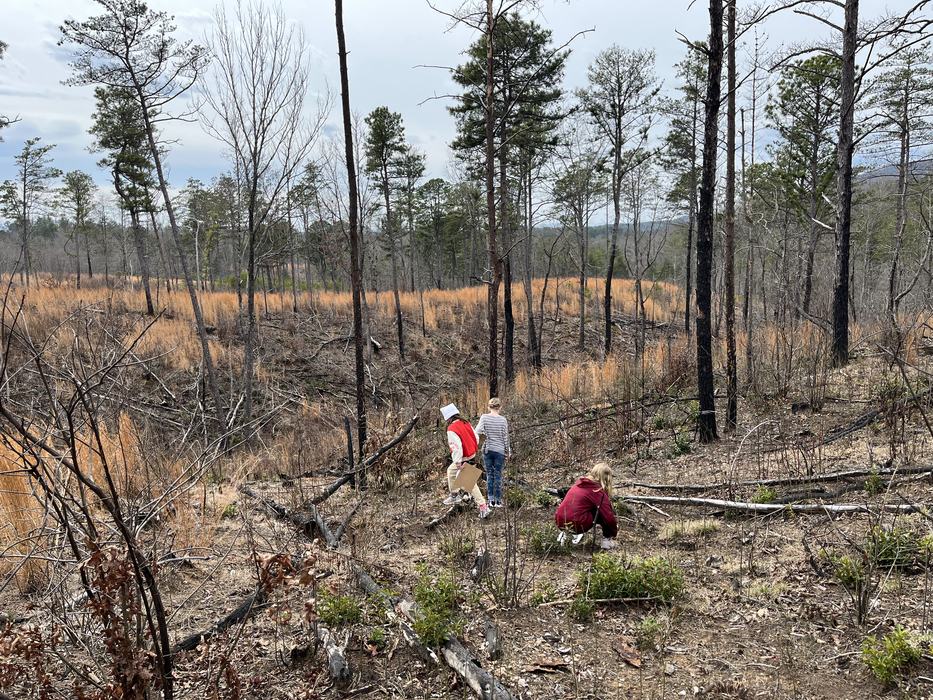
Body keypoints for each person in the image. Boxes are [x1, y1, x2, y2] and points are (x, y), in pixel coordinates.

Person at [440, 403, 490, 519]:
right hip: (471, 455)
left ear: (448, 418)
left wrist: (458, 462)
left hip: (463, 458)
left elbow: (456, 446)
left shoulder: (451, 429)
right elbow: (476, 437)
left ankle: (483, 507)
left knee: (469, 484)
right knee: (451, 472)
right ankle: (455, 494)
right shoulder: (466, 422)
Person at [554, 462, 618, 548]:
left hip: (559, 521)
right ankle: (606, 541)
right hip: (577, 523)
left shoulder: (578, 484)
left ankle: (566, 534)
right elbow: (609, 518)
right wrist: (613, 531)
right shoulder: (597, 492)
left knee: (578, 507)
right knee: (601, 511)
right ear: (607, 478)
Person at [476, 397, 510, 508]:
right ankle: (498, 501)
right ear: (500, 407)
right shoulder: (503, 420)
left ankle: (490, 500)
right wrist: (507, 451)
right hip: (499, 450)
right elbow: (505, 438)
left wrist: (485, 435)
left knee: (489, 475)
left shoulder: (484, 418)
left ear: (489, 407)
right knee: (498, 475)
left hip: (488, 449)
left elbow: (478, 431)